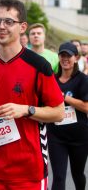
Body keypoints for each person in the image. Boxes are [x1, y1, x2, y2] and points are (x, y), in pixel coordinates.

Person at [0, 0, 65, 190]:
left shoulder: (38, 65)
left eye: (9, 22)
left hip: (29, 170)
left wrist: (26, 110)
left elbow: (59, 113)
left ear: (22, 27)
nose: (2, 26)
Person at [47, 42, 88, 190]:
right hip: (56, 136)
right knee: (58, 176)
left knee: (78, 174)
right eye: (62, 55)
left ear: (76, 58)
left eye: (68, 56)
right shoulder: (52, 80)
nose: (65, 59)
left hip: (79, 137)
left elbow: (86, 107)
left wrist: (64, 97)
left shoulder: (83, 80)